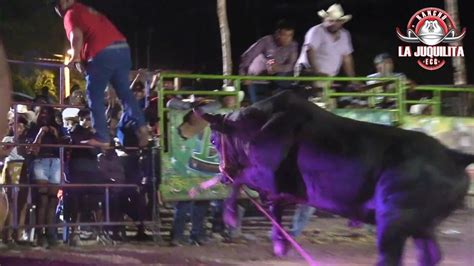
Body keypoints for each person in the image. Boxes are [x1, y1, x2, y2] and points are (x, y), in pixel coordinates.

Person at [53, 0, 150, 148]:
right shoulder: (86, 10)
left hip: (102, 52)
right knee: (125, 93)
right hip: (122, 48)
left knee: (94, 94)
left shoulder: (70, 14)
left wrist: (75, 57)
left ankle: (102, 136)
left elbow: (76, 36)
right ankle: (141, 126)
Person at [239, 20, 298, 103]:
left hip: (276, 79)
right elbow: (248, 56)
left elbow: (292, 65)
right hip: (255, 77)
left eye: (290, 35)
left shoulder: (293, 45)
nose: (287, 39)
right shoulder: (266, 41)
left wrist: (279, 68)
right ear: (277, 34)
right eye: (284, 35)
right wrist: (244, 75)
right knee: (256, 106)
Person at [295, 4, 356, 79]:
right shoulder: (316, 31)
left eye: (337, 21)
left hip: (328, 77)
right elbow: (310, 51)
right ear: (324, 20)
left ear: (342, 22)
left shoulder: (345, 35)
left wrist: (353, 80)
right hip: (308, 72)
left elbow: (347, 58)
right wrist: (317, 72)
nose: (334, 23)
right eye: (331, 20)